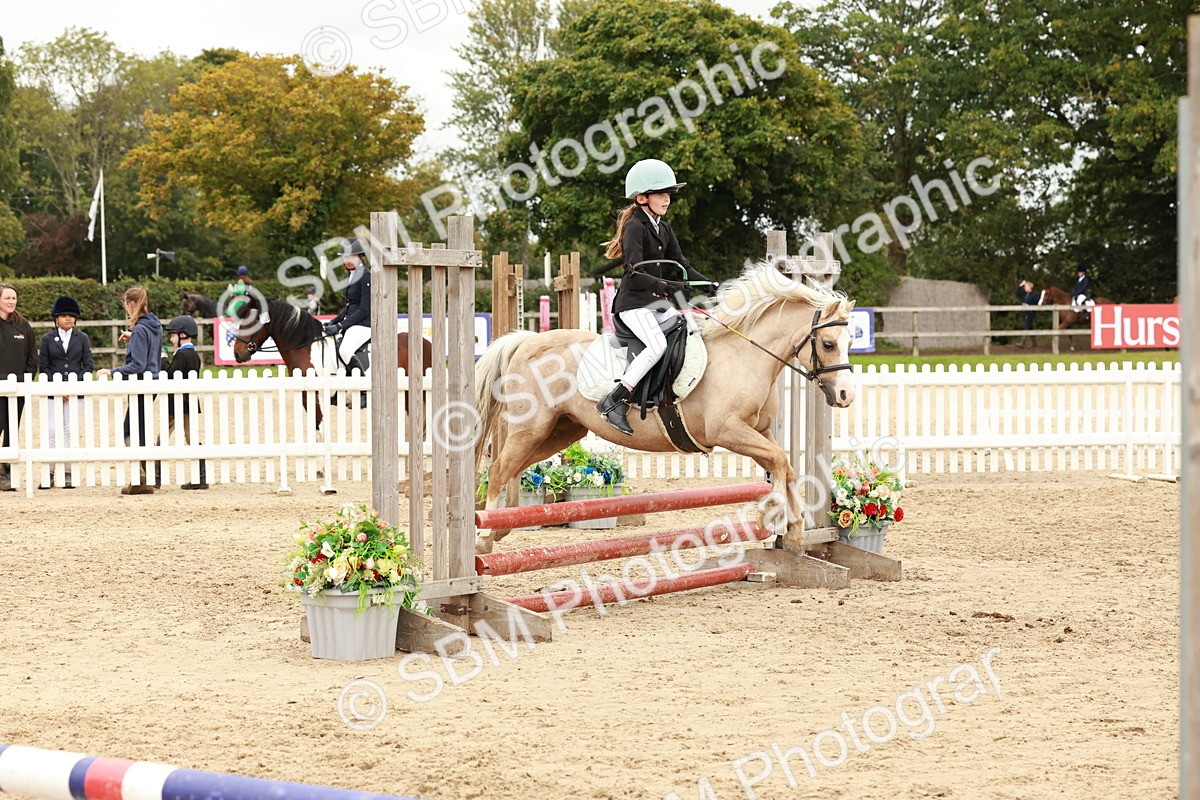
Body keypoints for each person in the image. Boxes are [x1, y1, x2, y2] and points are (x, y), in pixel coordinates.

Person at [595, 159, 716, 435]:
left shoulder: (663, 227)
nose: (667, 199)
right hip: (633, 304)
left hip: (655, 304)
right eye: (661, 194)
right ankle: (615, 399)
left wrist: (707, 283)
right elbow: (634, 270)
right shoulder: (635, 226)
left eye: (668, 194)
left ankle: (666, 389)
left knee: (687, 329)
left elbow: (681, 264)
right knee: (657, 345)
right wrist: (667, 288)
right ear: (642, 198)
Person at [97, 286, 163, 495]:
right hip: (151, 383)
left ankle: (141, 477)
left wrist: (112, 371)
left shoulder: (141, 329)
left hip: (140, 384)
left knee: (130, 431)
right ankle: (145, 476)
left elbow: (137, 365)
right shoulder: (154, 325)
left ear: (131, 304)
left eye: (126, 304)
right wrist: (133, 336)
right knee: (141, 429)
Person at [38, 296, 93, 488]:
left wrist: (73, 387)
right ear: (56, 319)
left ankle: (69, 471)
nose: (68, 318)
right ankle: (50, 471)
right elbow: (44, 367)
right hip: (53, 392)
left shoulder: (82, 338)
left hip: (75, 392)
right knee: (52, 430)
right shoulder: (47, 339)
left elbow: (88, 365)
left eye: (71, 315)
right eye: (64, 315)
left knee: (70, 430)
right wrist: (57, 388)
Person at [159, 315, 208, 490]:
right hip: (189, 402)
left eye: (173, 336)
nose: (171, 339)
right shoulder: (194, 355)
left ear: (182, 335)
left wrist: (163, 359)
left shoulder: (181, 355)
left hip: (177, 403)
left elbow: (171, 375)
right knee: (192, 438)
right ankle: (201, 477)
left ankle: (155, 477)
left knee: (162, 438)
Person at [0, 283, 37, 490]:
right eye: (7, 298)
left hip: (18, 389)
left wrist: (25, 379)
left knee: (12, 430)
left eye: (13, 298)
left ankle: (6, 471)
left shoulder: (23, 325)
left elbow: (32, 356)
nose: (11, 301)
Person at [325, 237, 372, 371]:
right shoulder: (348, 276)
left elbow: (364, 309)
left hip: (364, 324)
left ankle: (361, 382)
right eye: (345, 257)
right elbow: (349, 306)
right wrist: (334, 321)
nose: (348, 260)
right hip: (352, 324)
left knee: (345, 350)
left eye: (352, 256)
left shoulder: (366, 276)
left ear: (360, 256)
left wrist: (340, 326)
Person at [1014, 279, 1038, 348]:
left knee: (1026, 326)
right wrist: (1020, 285)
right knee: (1029, 327)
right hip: (1024, 312)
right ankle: (1034, 343)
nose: (1025, 288)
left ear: (1030, 287)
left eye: (1026, 287)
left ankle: (1022, 342)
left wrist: (1029, 306)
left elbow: (1036, 304)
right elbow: (1017, 292)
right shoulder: (1024, 294)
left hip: (1030, 313)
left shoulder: (1034, 295)